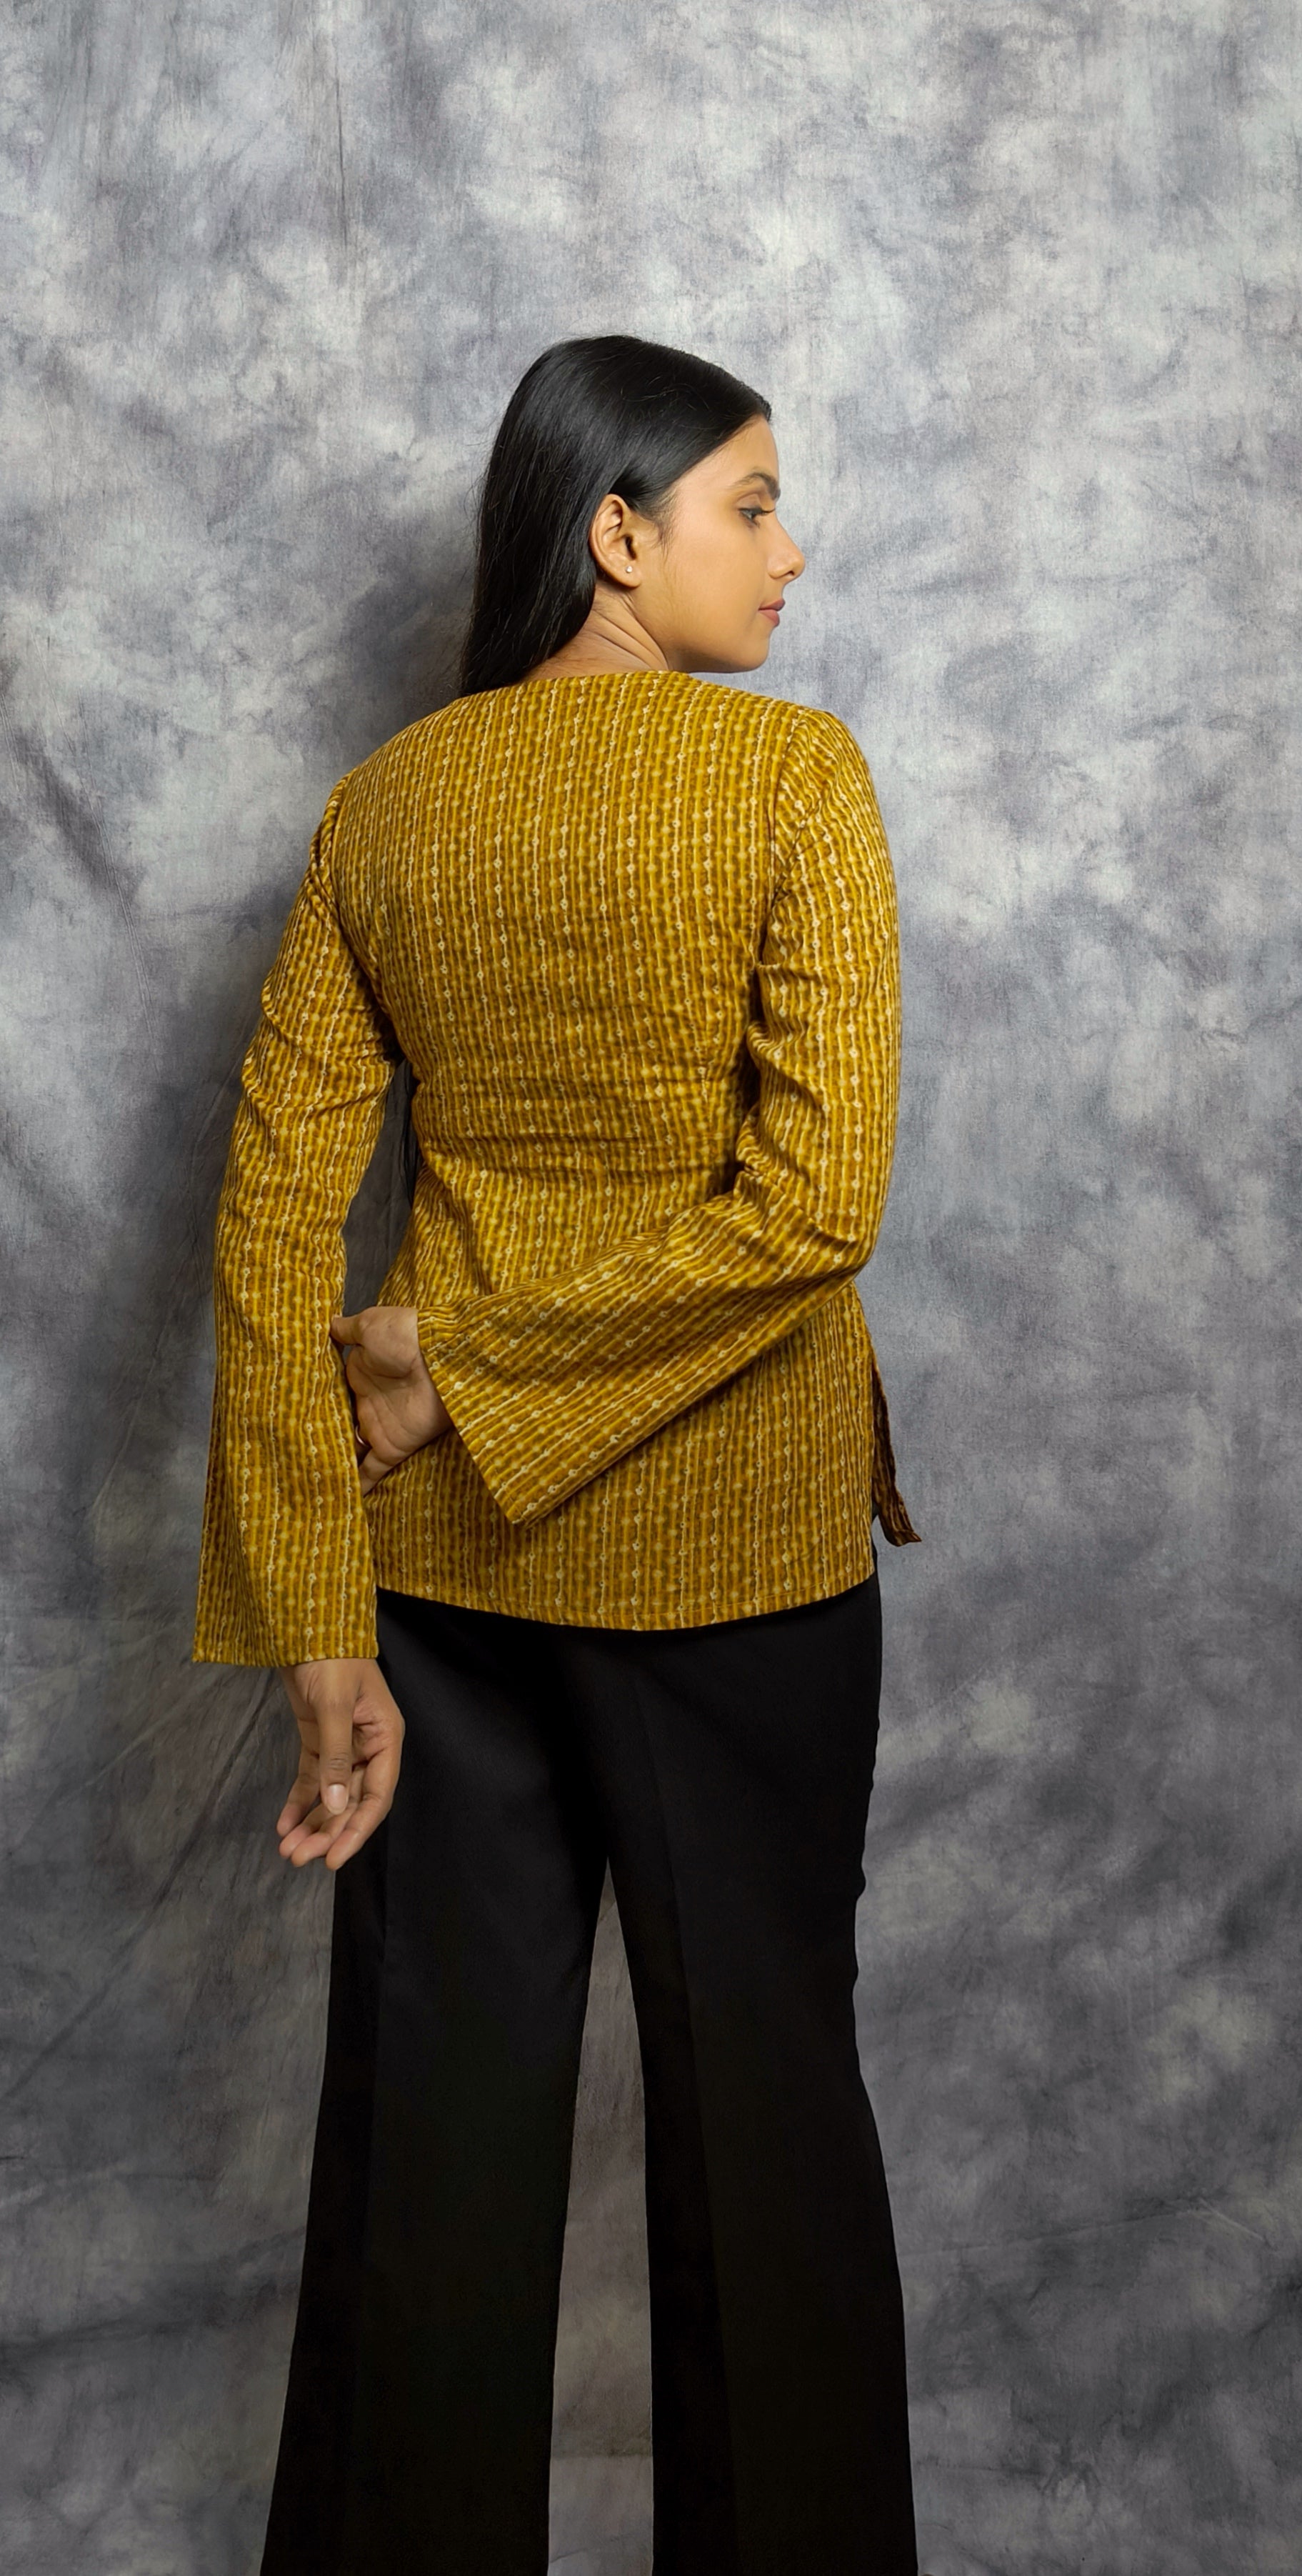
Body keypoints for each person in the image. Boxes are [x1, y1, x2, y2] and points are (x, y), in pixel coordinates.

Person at [192, 332, 923, 2576]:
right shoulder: (796, 781)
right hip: (744, 1570)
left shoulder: (384, 808)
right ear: (618, 531)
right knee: (764, 2163)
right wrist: (458, 1401)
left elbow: (269, 1227)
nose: (788, 554)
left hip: (440, 1592)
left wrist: (325, 1609)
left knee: (432, 2166)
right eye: (749, 505)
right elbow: (814, 1207)